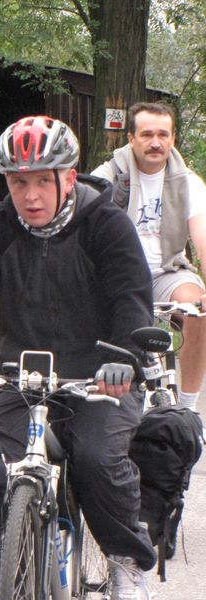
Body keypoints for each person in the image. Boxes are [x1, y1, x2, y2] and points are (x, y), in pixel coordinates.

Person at [0, 116, 156, 600]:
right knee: (7, 479)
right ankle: (0, 587)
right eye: (18, 183)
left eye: (41, 182)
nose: (30, 196)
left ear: (68, 177)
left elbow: (131, 299)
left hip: (100, 377)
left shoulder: (105, 223)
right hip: (22, 376)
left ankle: (126, 561)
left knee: (97, 459)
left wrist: (127, 358)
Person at [92, 101, 206, 411]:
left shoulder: (189, 182)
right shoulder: (106, 177)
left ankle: (187, 409)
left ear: (173, 138)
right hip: (118, 275)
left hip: (167, 271)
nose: (156, 142)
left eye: (163, 135)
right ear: (131, 138)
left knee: (199, 312)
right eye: (146, 135)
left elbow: (202, 240)